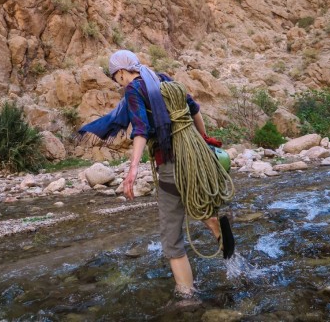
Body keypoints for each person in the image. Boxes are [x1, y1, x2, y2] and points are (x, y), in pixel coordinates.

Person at [79, 50, 234, 303]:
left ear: (120, 72)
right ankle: (218, 231)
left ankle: (186, 297)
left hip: (171, 162)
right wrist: (204, 140)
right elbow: (195, 110)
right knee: (194, 200)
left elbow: (140, 130)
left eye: (115, 77)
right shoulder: (163, 79)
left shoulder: (133, 90)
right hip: (196, 157)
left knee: (171, 238)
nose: (118, 82)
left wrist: (132, 171)